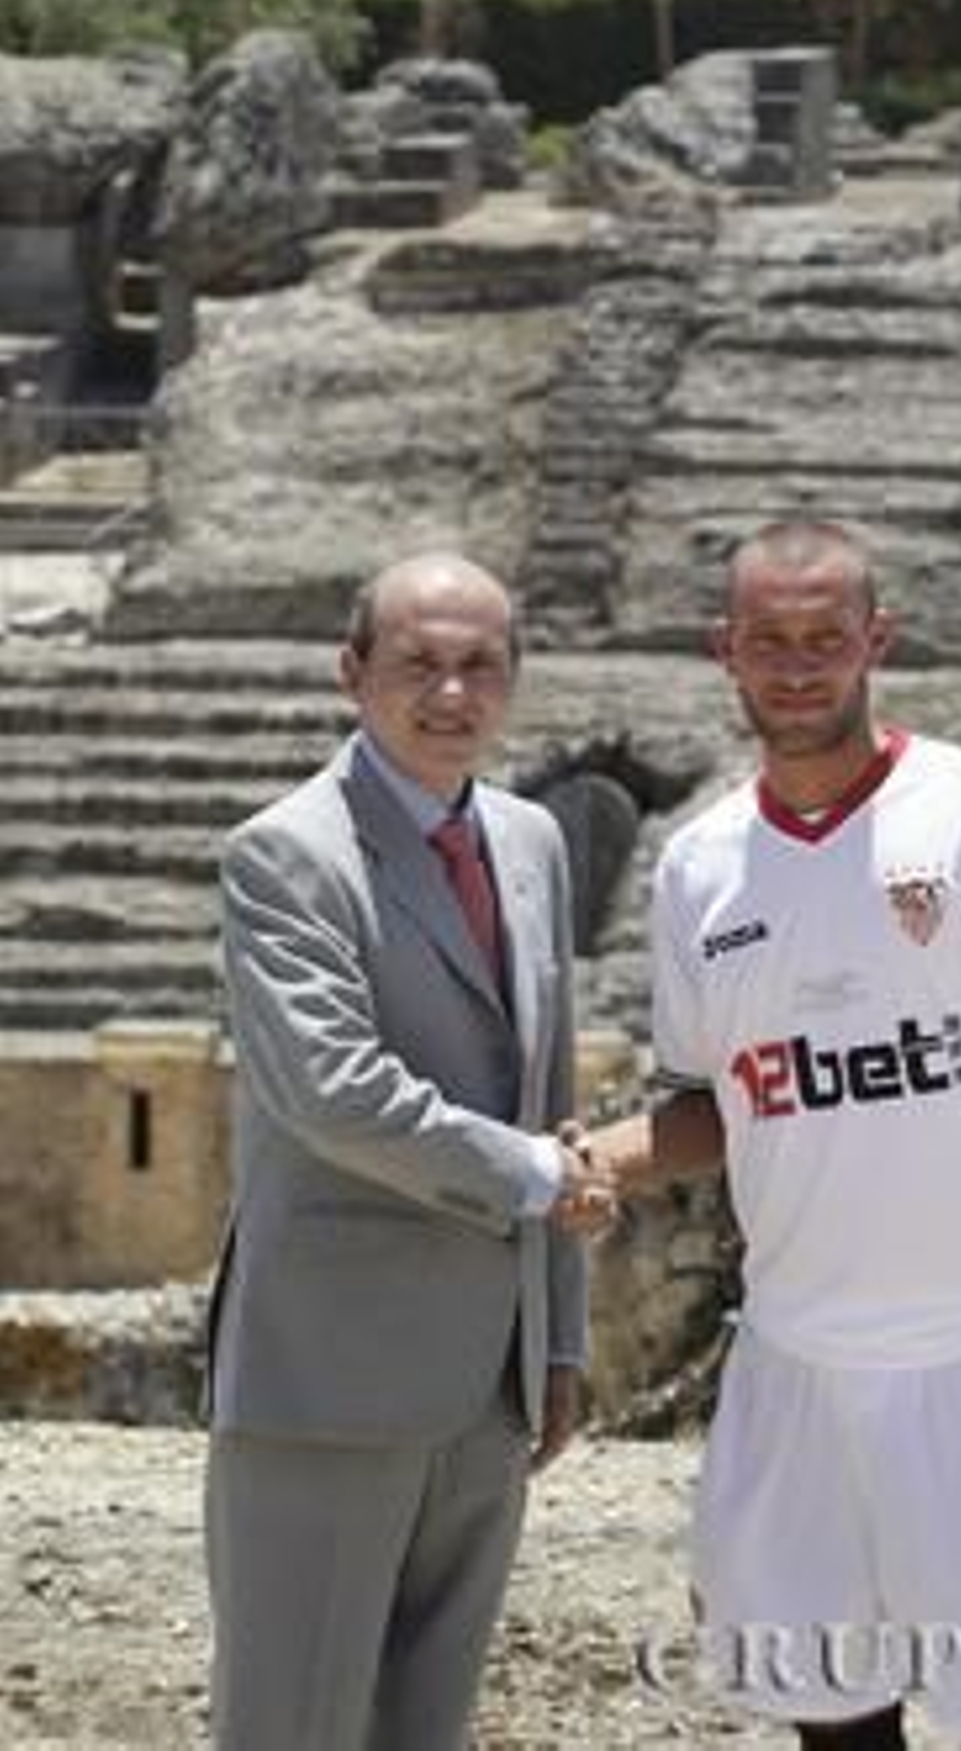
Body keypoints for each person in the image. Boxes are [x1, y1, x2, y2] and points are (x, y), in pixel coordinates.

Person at [590, 517, 961, 1750]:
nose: (798, 667)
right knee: (829, 1710)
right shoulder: (697, 869)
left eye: (825, 639)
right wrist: (600, 1160)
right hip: (792, 1362)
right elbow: (714, 1104)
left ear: (874, 641)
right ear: (722, 650)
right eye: (769, 642)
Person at [204, 550, 613, 1751]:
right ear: (353, 674)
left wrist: (559, 1340)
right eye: (418, 664)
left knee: (425, 1726)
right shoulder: (287, 855)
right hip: (328, 1378)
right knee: (293, 1725)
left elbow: (551, 1095)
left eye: (480, 664)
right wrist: (538, 1174)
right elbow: (333, 1092)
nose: (451, 693)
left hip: (485, 1386)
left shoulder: (531, 841)